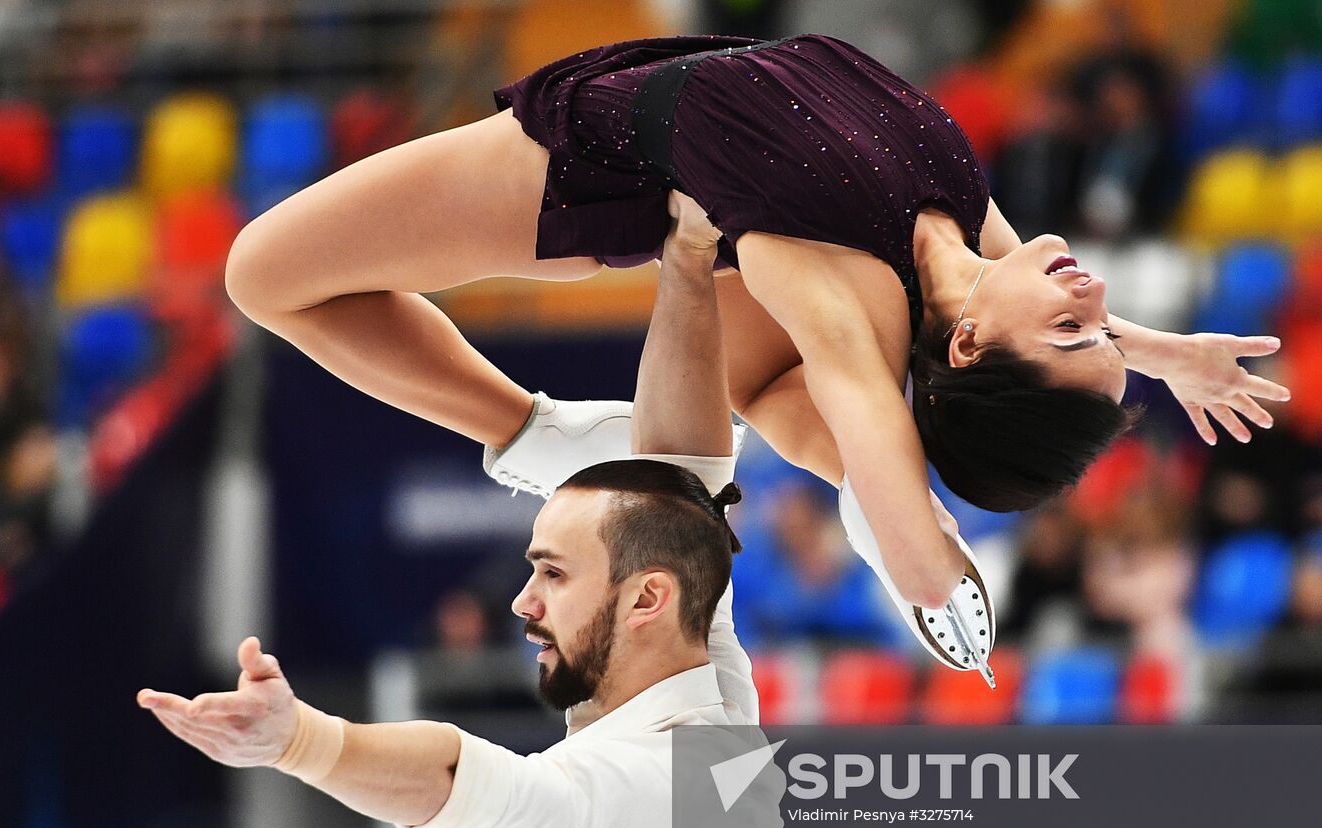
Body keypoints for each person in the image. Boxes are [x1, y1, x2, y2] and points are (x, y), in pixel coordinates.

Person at [223, 33, 1289, 619]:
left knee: (262, 273)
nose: (1094, 301)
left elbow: (886, 427)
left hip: (592, 160)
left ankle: (530, 434)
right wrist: (1164, 354)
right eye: (1099, 331)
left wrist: (926, 560)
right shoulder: (970, 236)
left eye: (1072, 333)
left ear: (968, 345)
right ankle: (794, 471)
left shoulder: (837, 284)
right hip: (701, 130)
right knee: (770, 391)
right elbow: (1020, 339)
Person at [139, 194, 798, 828]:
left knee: (265, 276)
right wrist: (687, 256)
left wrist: (303, 740)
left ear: (645, 600)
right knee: (264, 275)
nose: (521, 602)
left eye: (552, 572)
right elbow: (692, 481)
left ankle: (554, 440)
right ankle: (561, 444)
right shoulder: (700, 701)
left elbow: (460, 776)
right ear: (651, 599)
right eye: (541, 570)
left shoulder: (665, 776)